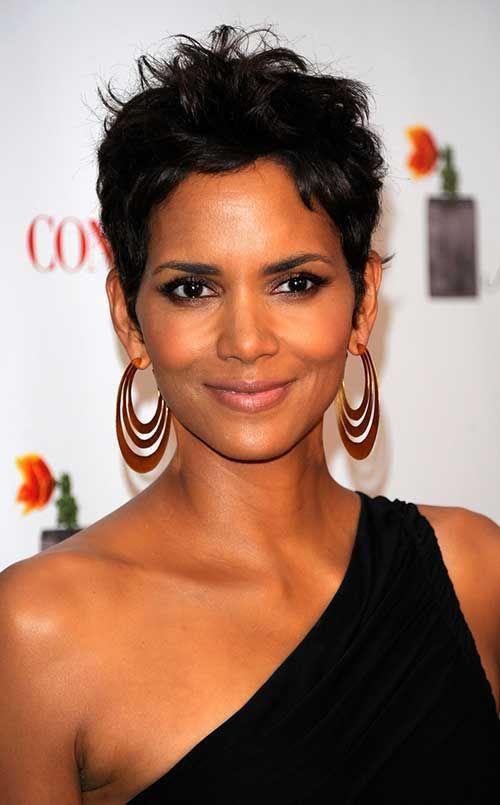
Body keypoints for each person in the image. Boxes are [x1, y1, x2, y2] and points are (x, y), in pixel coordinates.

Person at [1, 23, 499, 805]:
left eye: (295, 283)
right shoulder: (38, 631)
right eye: (192, 288)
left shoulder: (474, 569)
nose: (246, 341)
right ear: (129, 318)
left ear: (363, 300)